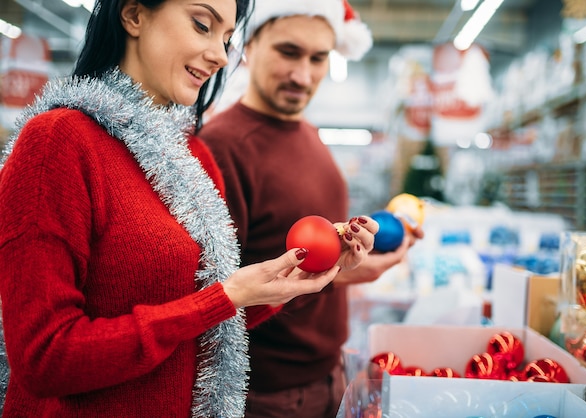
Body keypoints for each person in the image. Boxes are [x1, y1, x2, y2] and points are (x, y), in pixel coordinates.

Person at [0, 0, 379, 416]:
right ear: (134, 15)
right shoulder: (57, 142)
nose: (220, 54)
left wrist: (297, 277)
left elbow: (208, 324)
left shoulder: (192, 154)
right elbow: (44, 358)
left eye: (227, 38)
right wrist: (221, 298)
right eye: (202, 25)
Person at [197, 1, 423, 417]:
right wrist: (338, 278)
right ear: (250, 44)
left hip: (326, 372)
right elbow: (212, 294)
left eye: (318, 58)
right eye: (288, 52)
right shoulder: (224, 147)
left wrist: (353, 253)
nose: (303, 75)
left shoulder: (305, 132)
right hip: (266, 390)